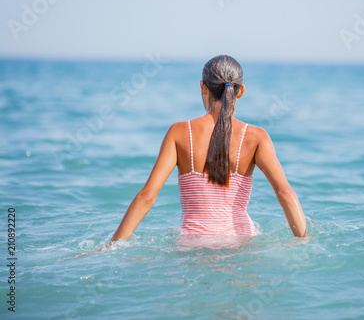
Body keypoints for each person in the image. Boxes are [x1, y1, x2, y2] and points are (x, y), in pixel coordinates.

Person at [108, 55, 306, 244]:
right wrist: (304, 240)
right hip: (242, 243)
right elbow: (285, 193)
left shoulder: (179, 132)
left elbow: (147, 196)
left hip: (193, 245)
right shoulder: (257, 137)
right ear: (241, 90)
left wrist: (110, 247)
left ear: (203, 87)